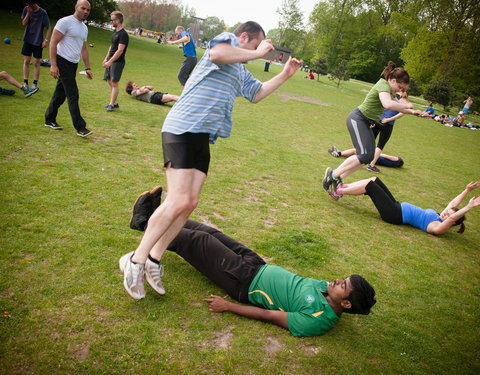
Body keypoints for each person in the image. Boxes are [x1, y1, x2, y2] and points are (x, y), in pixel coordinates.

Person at [119, 21, 303, 300]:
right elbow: (218, 54)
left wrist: (286, 75)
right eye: (255, 44)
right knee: (177, 199)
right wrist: (257, 53)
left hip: (202, 136)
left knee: (190, 202)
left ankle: (154, 259)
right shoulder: (226, 41)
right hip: (182, 127)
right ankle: (135, 260)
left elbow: (256, 94)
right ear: (244, 37)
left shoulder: (239, 68)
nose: (257, 50)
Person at [121, 192, 376, 336]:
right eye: (345, 278)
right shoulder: (327, 290)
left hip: (244, 281)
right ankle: (157, 217)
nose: (339, 280)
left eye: (345, 285)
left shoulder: (318, 320)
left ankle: (144, 223)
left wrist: (229, 306)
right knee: (208, 231)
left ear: (345, 303)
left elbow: (269, 315)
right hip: (257, 264)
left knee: (197, 242)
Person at [322, 61, 422, 200]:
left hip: (366, 122)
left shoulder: (389, 90)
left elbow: (400, 104)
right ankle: (332, 175)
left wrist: (413, 111)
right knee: (363, 155)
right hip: (357, 119)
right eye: (398, 87)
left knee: (368, 157)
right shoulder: (383, 85)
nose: (398, 91)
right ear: (392, 80)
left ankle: (337, 179)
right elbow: (387, 104)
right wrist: (409, 108)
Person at [332, 177, 480, 235]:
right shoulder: (438, 216)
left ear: (452, 221)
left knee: (369, 186)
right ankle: (345, 186)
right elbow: (452, 205)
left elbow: (452, 215)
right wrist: (467, 190)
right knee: (375, 180)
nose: (446, 213)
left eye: (448, 215)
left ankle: (339, 192)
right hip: (396, 206)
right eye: (447, 212)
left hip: (394, 214)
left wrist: (468, 207)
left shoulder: (437, 226)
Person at [44, 0, 93, 137]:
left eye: (88, 10)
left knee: (60, 93)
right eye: (83, 8)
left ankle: (49, 118)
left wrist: (87, 67)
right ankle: (80, 127)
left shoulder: (84, 28)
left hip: (73, 63)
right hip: (62, 61)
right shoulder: (64, 22)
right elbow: (53, 42)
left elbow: (83, 48)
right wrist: (53, 64)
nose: (85, 12)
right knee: (73, 93)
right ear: (76, 7)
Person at [20, 1, 51, 90]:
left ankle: (34, 84)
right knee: (26, 61)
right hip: (27, 40)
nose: (28, 6)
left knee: (36, 63)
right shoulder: (26, 9)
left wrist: (46, 40)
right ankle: (25, 82)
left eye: (30, 4)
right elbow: (23, 23)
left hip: (38, 41)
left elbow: (48, 27)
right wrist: (28, 13)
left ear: (34, 3)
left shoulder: (43, 13)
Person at [102, 11, 129, 112]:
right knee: (109, 81)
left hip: (118, 62)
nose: (111, 21)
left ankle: (111, 104)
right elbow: (112, 47)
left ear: (117, 20)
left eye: (112, 20)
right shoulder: (115, 32)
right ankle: (115, 102)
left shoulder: (123, 34)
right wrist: (106, 58)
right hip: (111, 60)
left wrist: (111, 61)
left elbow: (120, 50)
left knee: (114, 83)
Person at [327, 146, 404, 168]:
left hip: (375, 157)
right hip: (375, 161)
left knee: (355, 150)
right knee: (356, 154)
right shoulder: (392, 165)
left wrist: (376, 152)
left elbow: (384, 155)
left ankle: (339, 153)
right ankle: (339, 153)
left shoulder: (396, 160)